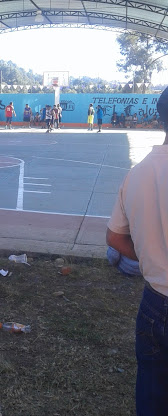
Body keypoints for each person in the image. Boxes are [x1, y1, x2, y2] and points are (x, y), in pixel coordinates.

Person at [106, 85, 168, 416]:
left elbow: (114, 238)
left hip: (154, 302)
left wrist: (150, 259)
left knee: (151, 391)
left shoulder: (137, 173)